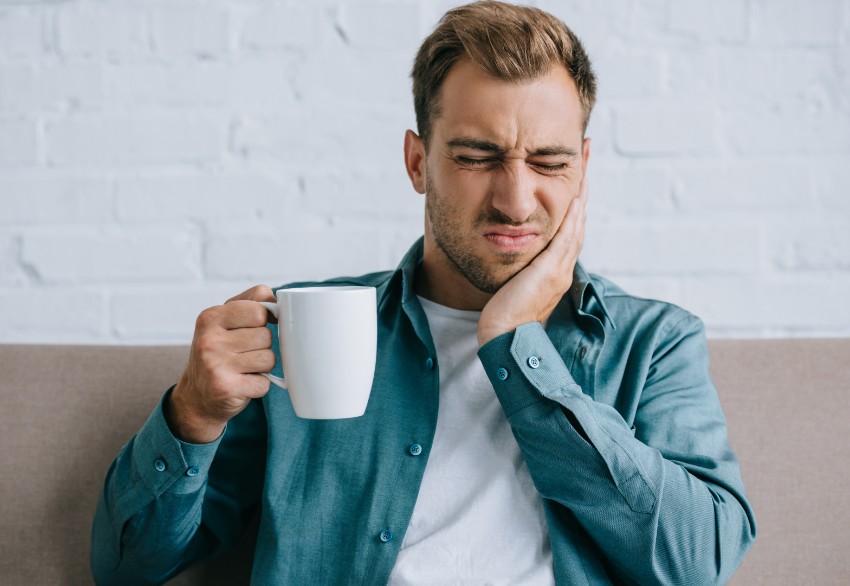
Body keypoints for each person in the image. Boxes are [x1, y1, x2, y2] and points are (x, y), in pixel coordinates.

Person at [91, 2, 757, 584]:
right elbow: (127, 569)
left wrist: (517, 344)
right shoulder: (298, 332)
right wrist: (193, 416)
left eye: (550, 163)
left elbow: (697, 564)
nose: (516, 199)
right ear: (418, 162)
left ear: (583, 168)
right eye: (476, 157)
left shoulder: (654, 342)